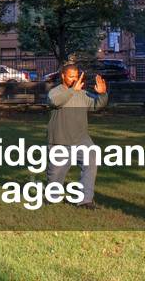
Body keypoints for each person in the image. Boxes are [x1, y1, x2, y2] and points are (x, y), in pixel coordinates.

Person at [46, 63, 108, 208]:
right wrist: (73, 90)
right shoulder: (55, 92)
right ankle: (52, 197)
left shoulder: (82, 94)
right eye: (70, 77)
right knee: (55, 173)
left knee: (91, 161)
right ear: (63, 76)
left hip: (81, 139)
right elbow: (56, 101)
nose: (74, 79)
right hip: (59, 140)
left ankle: (85, 200)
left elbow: (97, 105)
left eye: (76, 76)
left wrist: (103, 93)